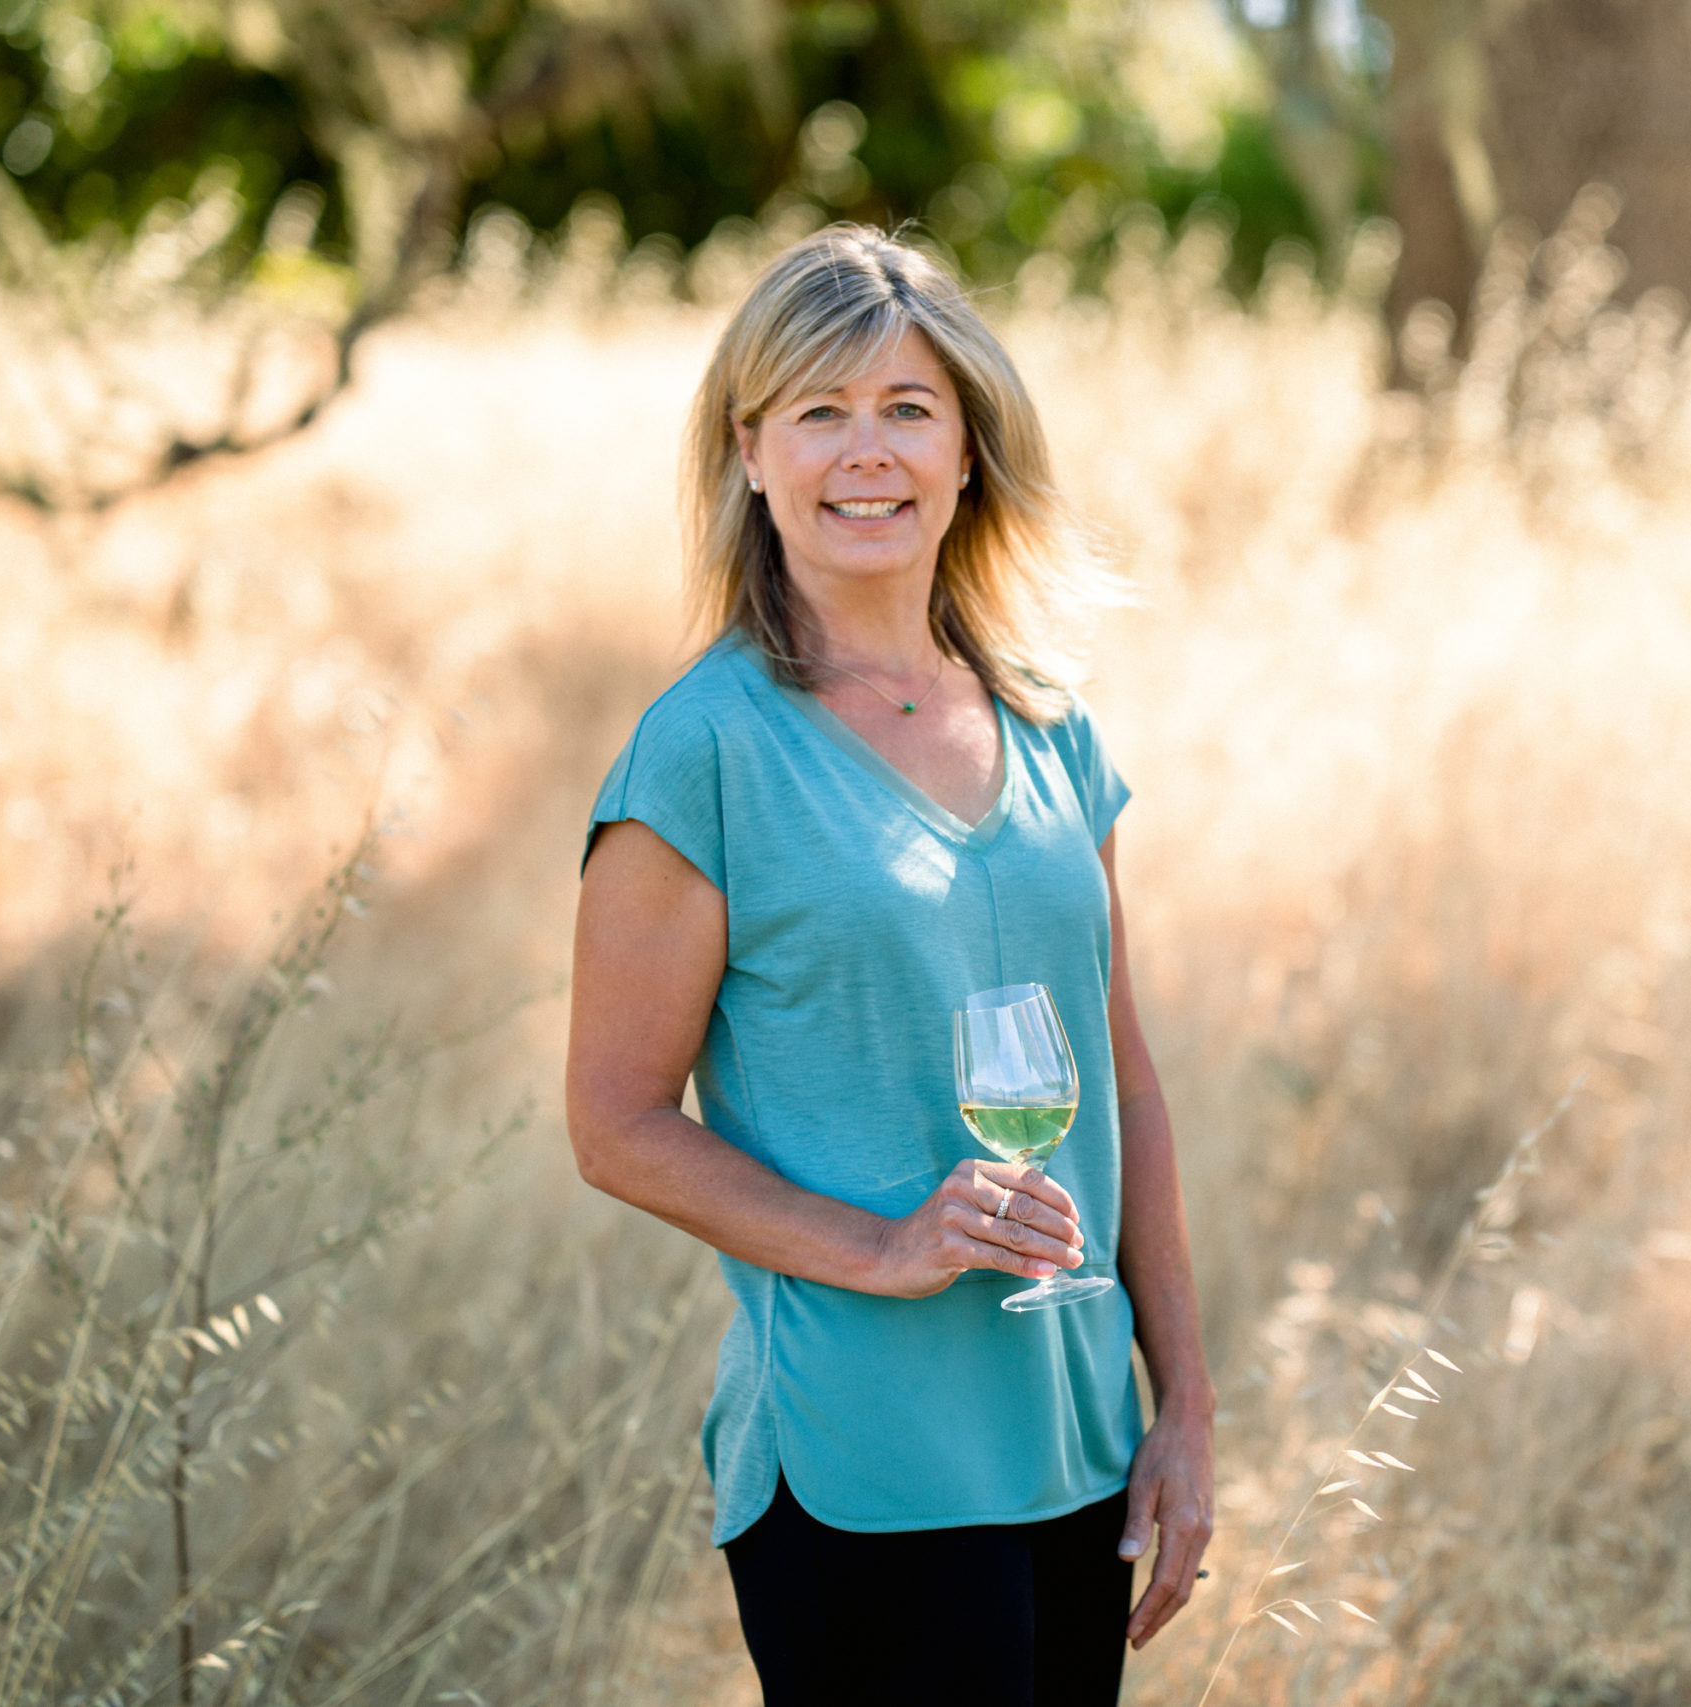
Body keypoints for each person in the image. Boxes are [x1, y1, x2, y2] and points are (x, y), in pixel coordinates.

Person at [564, 225, 1214, 1705]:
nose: (869, 453)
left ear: (970, 448)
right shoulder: (703, 753)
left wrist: (1184, 1404)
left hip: (1076, 1441)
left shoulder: (1054, 729)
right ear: (750, 450)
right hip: (864, 1460)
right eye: (820, 412)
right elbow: (613, 1123)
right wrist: (879, 1250)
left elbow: (1122, 1075)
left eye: (909, 409)